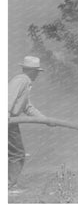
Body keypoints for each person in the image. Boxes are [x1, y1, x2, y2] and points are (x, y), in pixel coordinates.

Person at [8, 56, 46, 193]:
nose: (37, 75)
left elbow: (27, 107)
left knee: (12, 153)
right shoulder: (21, 80)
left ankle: (9, 183)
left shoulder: (26, 82)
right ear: (31, 71)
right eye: (37, 71)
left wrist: (44, 120)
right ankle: (9, 185)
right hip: (8, 121)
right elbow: (8, 98)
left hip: (11, 122)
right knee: (17, 153)